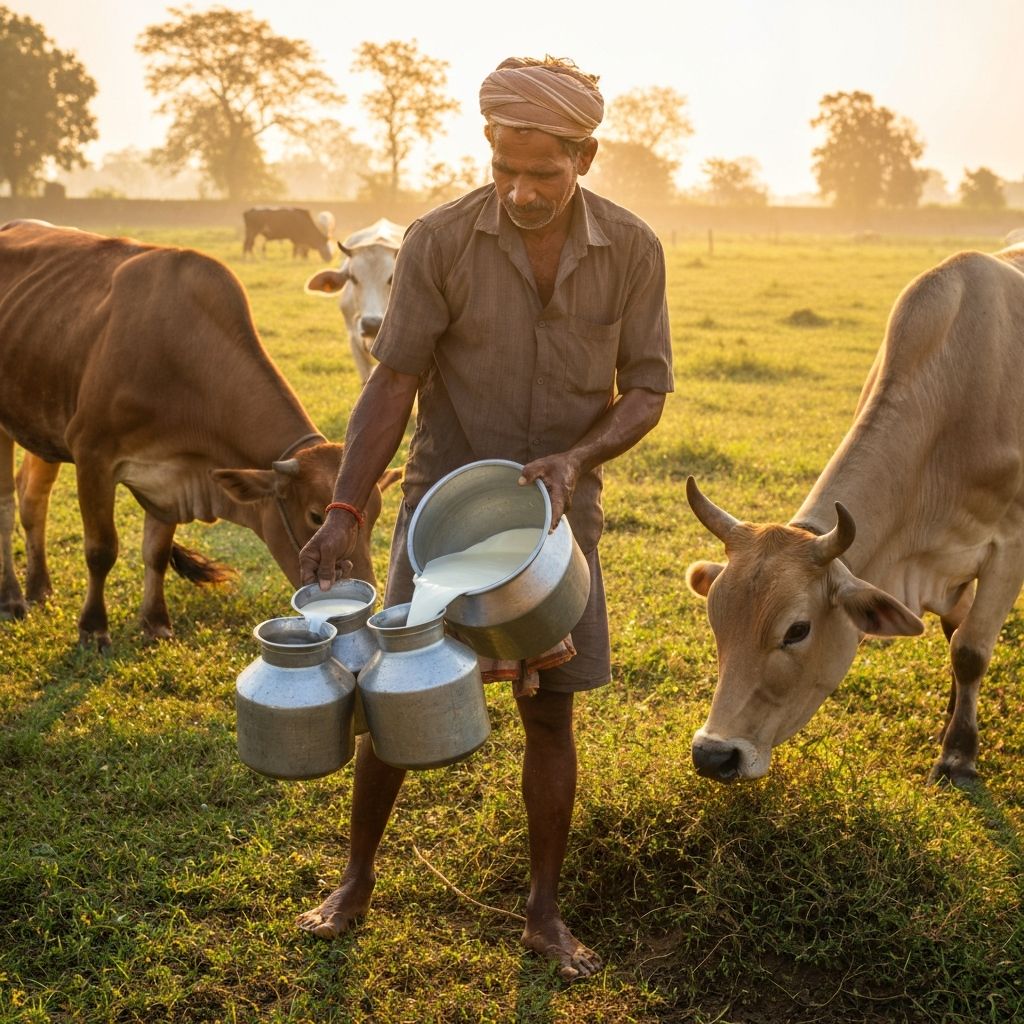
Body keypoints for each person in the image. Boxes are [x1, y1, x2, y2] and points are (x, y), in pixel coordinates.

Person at [295, 55, 674, 982]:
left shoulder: (632, 249)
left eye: (542, 173)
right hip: (445, 508)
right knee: (393, 694)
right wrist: (348, 506)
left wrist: (578, 459)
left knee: (551, 715)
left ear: (585, 155)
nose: (519, 190)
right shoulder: (443, 240)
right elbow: (395, 379)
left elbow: (650, 388)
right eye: (505, 167)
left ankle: (543, 914)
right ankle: (356, 882)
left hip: (557, 518)